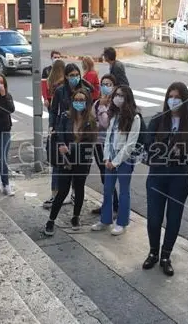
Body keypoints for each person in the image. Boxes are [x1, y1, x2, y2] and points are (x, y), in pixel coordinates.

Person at [142, 82, 188, 276]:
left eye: (177, 97)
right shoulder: (158, 120)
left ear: (184, 101)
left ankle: (166, 255)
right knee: (154, 218)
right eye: (170, 96)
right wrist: (163, 147)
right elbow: (147, 145)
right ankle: (153, 252)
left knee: (173, 219)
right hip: (157, 176)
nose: (173, 100)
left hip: (179, 178)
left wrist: (181, 150)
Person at [91, 85, 145, 236]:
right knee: (107, 190)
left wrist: (115, 162)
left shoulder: (134, 118)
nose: (117, 98)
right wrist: (107, 157)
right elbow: (108, 138)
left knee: (124, 192)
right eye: (116, 95)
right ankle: (105, 220)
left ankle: (122, 223)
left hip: (125, 161)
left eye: (121, 95)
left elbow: (130, 144)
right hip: (110, 159)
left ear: (127, 98)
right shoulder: (113, 115)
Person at [44, 89, 97, 236]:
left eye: (82, 100)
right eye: (76, 100)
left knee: (79, 188)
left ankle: (76, 217)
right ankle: (51, 220)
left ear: (86, 103)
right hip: (66, 159)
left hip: (82, 160)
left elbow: (90, 142)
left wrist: (73, 147)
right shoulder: (66, 116)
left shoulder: (91, 121)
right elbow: (60, 133)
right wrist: (61, 145)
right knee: (62, 191)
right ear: (72, 101)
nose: (79, 103)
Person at [48, 63, 93, 206]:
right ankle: (56, 193)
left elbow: (89, 110)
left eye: (76, 75)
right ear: (66, 76)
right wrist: (52, 126)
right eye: (71, 75)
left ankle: (75, 192)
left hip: (80, 132)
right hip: (64, 131)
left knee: (79, 163)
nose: (74, 78)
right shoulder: (60, 91)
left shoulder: (85, 90)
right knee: (60, 163)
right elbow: (54, 110)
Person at [91, 74, 119, 215]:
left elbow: (106, 123)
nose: (105, 87)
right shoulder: (96, 103)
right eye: (103, 84)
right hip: (98, 143)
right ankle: (109, 204)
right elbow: (91, 122)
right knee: (104, 175)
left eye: (109, 84)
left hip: (111, 145)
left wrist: (102, 108)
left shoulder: (114, 104)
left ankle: (114, 205)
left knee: (109, 175)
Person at [42, 59, 66, 209]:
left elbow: (51, 110)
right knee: (62, 164)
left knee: (57, 165)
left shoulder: (50, 82)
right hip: (61, 129)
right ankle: (61, 194)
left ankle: (55, 193)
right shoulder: (61, 88)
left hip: (55, 129)